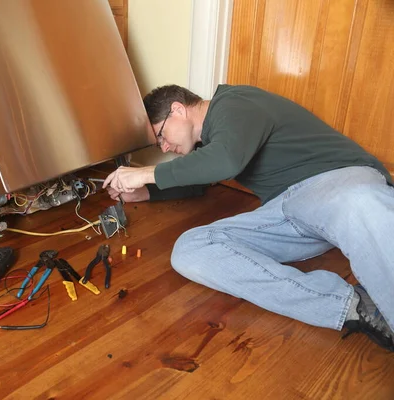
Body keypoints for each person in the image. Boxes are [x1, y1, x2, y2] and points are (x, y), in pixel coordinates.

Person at [103, 84, 394, 352]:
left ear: (178, 109)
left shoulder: (234, 103)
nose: (164, 148)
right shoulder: (212, 140)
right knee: (190, 249)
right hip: (289, 210)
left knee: (363, 203)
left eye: (161, 136)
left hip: (337, 183)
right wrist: (146, 195)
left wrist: (143, 173)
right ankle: (353, 307)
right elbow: (201, 179)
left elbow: (225, 160)